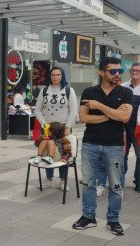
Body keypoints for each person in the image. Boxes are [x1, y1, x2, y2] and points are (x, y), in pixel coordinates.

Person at [72, 57, 133, 236]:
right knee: (87, 183)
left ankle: (113, 220)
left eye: (119, 71)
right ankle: (88, 216)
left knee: (115, 185)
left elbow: (124, 118)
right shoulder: (89, 91)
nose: (117, 74)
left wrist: (99, 106)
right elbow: (84, 118)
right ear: (101, 72)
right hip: (90, 143)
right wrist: (111, 114)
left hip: (114, 146)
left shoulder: (126, 92)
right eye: (112, 71)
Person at [34, 66, 77, 191]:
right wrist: (43, 124)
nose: (55, 77)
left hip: (63, 128)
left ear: (62, 76)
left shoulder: (69, 91)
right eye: (53, 75)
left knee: (63, 153)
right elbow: (38, 109)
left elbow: (74, 110)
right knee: (48, 153)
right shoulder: (44, 91)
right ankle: (49, 180)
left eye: (58, 75)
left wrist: (68, 126)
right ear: (50, 76)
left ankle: (63, 181)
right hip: (47, 127)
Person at [121, 63, 140, 191]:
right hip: (123, 127)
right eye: (133, 70)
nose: (134, 72)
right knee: (122, 155)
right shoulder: (123, 87)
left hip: (138, 128)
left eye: (138, 70)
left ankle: (138, 182)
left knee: (139, 156)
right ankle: (120, 181)